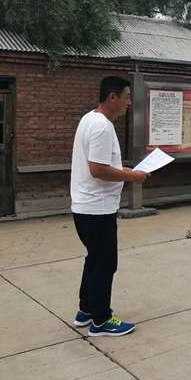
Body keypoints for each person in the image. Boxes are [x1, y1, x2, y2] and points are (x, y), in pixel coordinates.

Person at [70, 76, 148, 337]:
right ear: (112, 97)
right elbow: (98, 170)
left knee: (94, 259)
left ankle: (86, 310)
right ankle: (101, 320)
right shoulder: (102, 126)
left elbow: (100, 165)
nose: (129, 103)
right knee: (105, 264)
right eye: (126, 97)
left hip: (86, 207)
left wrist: (121, 169)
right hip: (97, 208)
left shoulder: (89, 119)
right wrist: (132, 176)